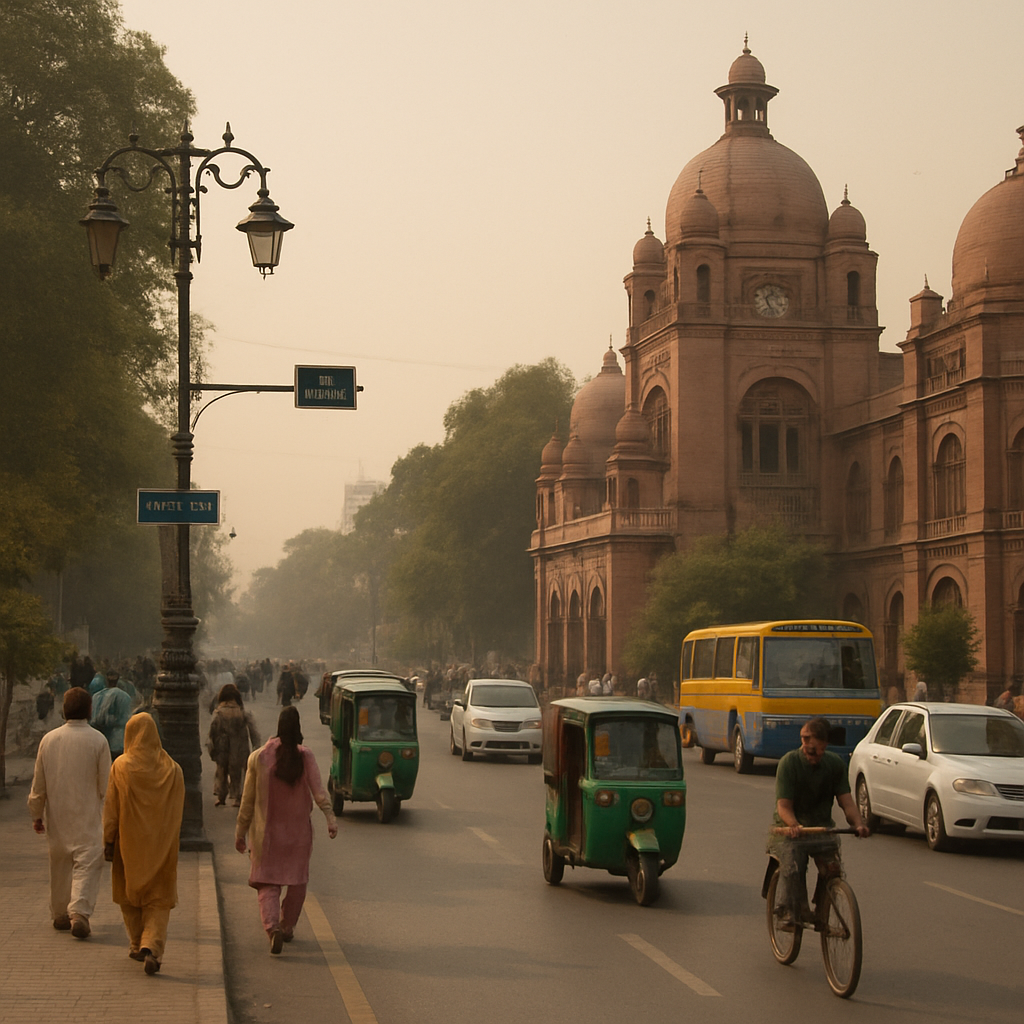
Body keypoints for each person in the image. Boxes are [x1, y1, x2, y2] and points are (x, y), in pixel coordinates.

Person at [234, 707, 337, 954]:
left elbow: (247, 801)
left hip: (265, 837)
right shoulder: (306, 756)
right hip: (298, 836)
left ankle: (272, 928)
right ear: (298, 728)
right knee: (297, 881)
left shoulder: (258, 758)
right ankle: (288, 926)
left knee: (268, 882)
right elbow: (320, 793)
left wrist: (240, 832)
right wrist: (330, 818)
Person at [102, 713, 185, 975]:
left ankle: (137, 943)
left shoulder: (121, 766)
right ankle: (153, 946)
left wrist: (108, 839)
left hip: (129, 845)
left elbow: (111, 809)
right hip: (162, 846)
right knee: (158, 901)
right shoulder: (173, 770)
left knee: (129, 896)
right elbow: (179, 810)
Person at [27, 688, 112, 938]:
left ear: (64, 710)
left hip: (57, 818)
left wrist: (36, 814)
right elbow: (106, 787)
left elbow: (38, 785)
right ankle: (80, 912)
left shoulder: (49, 740)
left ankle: (60, 914)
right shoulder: (98, 740)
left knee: (60, 865)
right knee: (88, 863)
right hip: (88, 817)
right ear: (89, 710)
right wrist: (110, 820)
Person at [769, 717, 869, 928]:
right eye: (812, 751)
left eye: (821, 750)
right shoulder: (789, 763)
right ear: (804, 743)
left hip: (822, 828)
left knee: (832, 868)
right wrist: (794, 825)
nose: (816, 755)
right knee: (794, 865)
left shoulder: (834, 765)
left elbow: (847, 802)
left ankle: (821, 907)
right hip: (790, 830)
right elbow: (784, 806)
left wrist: (858, 823)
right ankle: (789, 911)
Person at [207, 683, 261, 807]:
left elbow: (211, 732)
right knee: (238, 772)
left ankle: (221, 797)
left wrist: (212, 748)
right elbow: (254, 730)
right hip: (240, 745)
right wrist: (256, 747)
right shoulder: (242, 712)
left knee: (222, 770)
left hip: (222, 745)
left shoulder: (218, 712)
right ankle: (238, 797)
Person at [92, 671, 134, 758]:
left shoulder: (96, 696)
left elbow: (93, 719)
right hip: (117, 743)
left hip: (98, 741)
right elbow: (126, 719)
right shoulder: (124, 696)